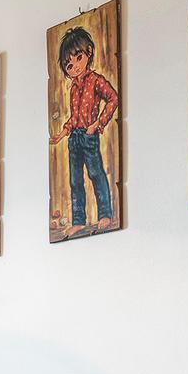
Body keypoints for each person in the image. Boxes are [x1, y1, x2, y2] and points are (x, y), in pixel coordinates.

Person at [52, 27, 118, 235]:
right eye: (69, 65)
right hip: (74, 137)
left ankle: (105, 214)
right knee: (75, 180)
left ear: (88, 53)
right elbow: (74, 117)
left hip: (89, 136)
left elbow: (113, 98)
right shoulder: (73, 87)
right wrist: (64, 133)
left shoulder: (96, 80)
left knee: (96, 173)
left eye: (78, 58)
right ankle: (78, 220)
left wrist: (98, 124)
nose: (75, 67)